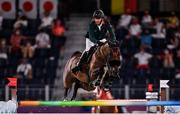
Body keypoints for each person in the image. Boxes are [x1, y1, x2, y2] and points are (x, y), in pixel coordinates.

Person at [72, 9, 116, 74]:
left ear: (102, 18)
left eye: (98, 18)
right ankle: (79, 65)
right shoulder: (92, 25)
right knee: (88, 50)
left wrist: (112, 42)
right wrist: (97, 42)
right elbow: (91, 37)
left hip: (101, 38)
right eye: (95, 18)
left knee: (108, 49)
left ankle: (111, 66)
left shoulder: (107, 24)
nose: (97, 20)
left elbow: (112, 35)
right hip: (90, 39)